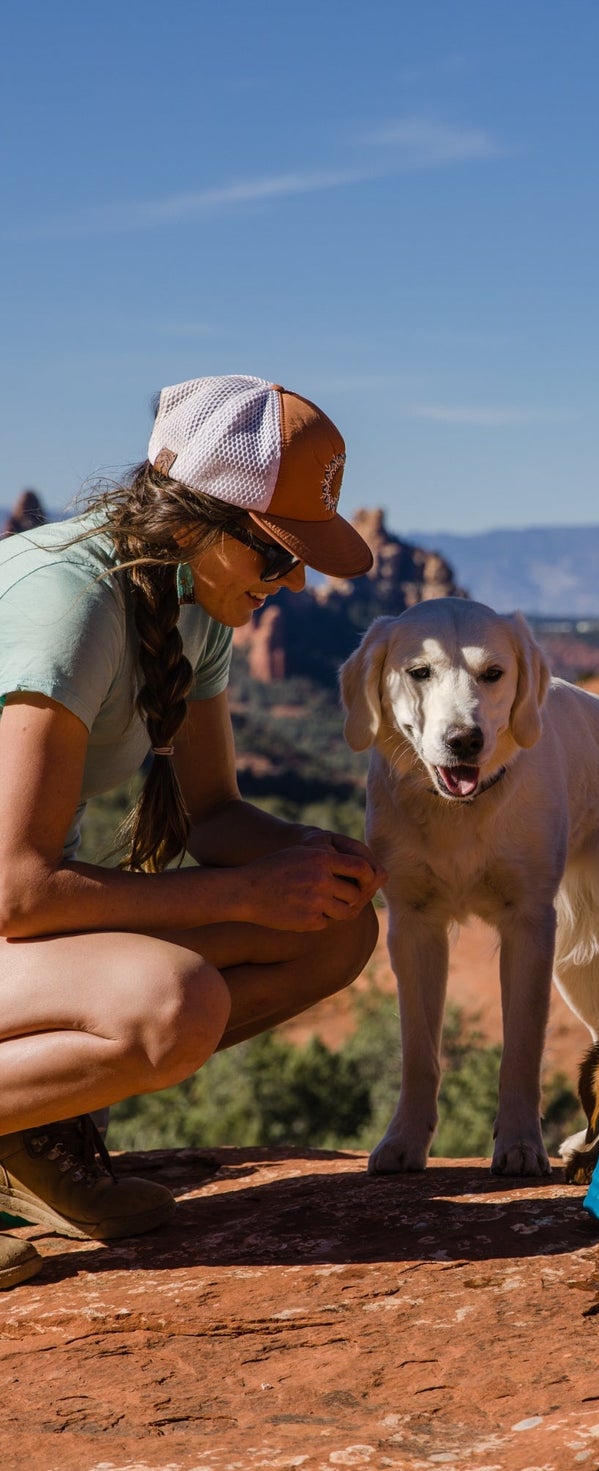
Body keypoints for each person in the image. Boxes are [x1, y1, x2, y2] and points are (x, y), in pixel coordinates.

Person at [0, 375, 387, 1289]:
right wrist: (249, 891)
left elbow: (214, 818)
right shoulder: (70, 604)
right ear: (197, 517)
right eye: (277, 554)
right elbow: (17, 891)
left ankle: (32, 1125)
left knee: (333, 926)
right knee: (169, 1004)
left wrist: (333, 859)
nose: (292, 581)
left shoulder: (187, 600)